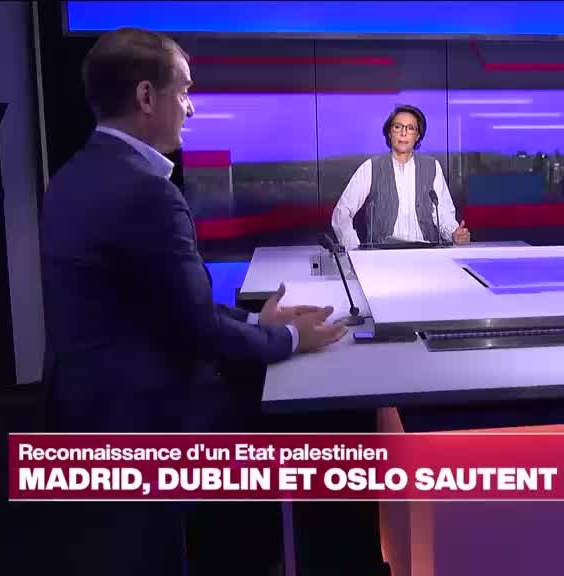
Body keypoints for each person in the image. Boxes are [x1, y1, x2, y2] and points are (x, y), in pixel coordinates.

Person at [39, 27, 348, 575]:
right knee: (313, 424)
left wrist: (253, 318)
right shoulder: (146, 191)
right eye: (183, 91)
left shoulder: (73, 175)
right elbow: (199, 330)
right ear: (146, 96)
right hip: (146, 416)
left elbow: (166, 301)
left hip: (87, 404)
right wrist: (289, 338)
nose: (191, 107)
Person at [331, 104, 472, 250]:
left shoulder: (432, 166)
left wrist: (454, 233)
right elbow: (342, 212)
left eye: (410, 128)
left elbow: (442, 213)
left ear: (417, 136)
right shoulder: (371, 167)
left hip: (427, 254)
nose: (403, 133)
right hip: (383, 255)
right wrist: (354, 247)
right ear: (389, 133)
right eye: (398, 127)